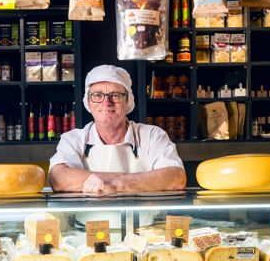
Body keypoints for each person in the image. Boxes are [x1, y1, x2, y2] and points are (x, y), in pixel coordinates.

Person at [49, 64, 186, 193]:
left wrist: (119, 183)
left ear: (128, 102)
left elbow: (176, 177)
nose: (106, 103)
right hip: (88, 219)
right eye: (97, 95)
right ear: (88, 102)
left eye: (115, 95)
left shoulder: (152, 135)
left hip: (145, 219)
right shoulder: (73, 139)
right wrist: (137, 180)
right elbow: (58, 178)